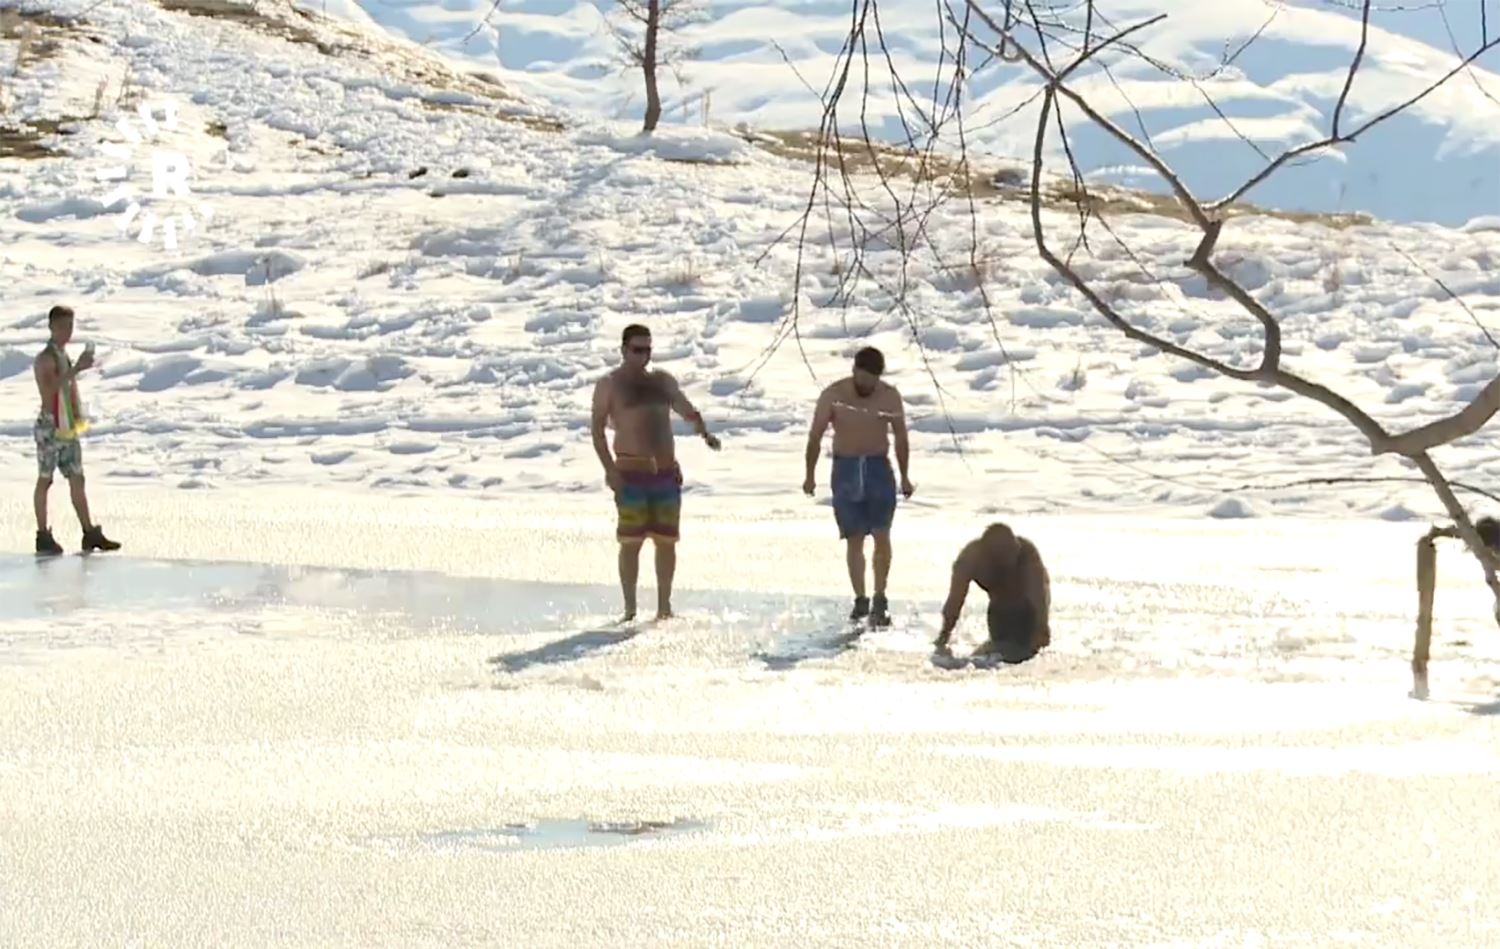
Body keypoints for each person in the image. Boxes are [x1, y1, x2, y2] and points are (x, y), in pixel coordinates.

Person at [591, 324, 720, 622]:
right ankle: (630, 609)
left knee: (666, 541)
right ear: (623, 350)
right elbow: (597, 431)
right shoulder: (610, 384)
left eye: (648, 350)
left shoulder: (661, 381)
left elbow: (687, 409)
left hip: (663, 473)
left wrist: (704, 433)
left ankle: (664, 607)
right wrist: (610, 470)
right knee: (631, 542)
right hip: (630, 472)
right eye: (637, 350)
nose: (644, 356)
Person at [802, 346, 913, 626]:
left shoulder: (889, 396)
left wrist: (905, 475)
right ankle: (860, 598)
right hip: (846, 468)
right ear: (854, 372)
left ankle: (880, 597)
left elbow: (901, 437)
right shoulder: (834, 395)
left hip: (878, 467)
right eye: (862, 378)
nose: (866, 385)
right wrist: (810, 475)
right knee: (854, 538)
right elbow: (815, 435)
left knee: (881, 534)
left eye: (871, 380)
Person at [33, 305, 120, 556]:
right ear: (51, 327)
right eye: (62, 327)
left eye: (70, 326)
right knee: (45, 479)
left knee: (77, 477)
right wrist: (75, 370)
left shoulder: (63, 354)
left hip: (67, 424)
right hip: (50, 425)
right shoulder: (46, 358)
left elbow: (67, 386)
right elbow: (49, 391)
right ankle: (42, 534)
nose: (66, 332)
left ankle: (88, 531)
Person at [934, 522, 1049, 663]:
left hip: (1026, 608)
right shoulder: (970, 559)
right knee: (996, 651)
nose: (1011, 563)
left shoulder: (1027, 555)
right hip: (998, 608)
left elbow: (1039, 597)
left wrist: (1041, 630)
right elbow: (954, 601)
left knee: (1023, 650)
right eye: (1005, 558)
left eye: (1013, 555)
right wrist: (944, 634)